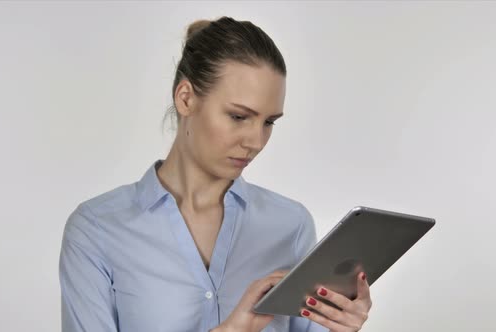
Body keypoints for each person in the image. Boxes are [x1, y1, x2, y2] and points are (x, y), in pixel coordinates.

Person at [59, 16, 372, 332]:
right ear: (186, 98)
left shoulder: (290, 226)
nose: (255, 141)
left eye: (268, 122)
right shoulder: (97, 229)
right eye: (238, 116)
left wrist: (340, 324)